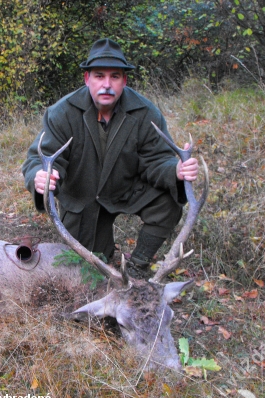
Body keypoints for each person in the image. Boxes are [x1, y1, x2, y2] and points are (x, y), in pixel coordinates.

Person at [22, 38, 199, 278]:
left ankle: (137, 267)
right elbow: (37, 160)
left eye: (115, 76)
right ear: (87, 79)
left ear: (124, 80)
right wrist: (40, 177)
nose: (107, 84)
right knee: (88, 270)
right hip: (82, 198)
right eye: (99, 76)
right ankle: (103, 246)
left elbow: (157, 160)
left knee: (168, 201)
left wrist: (175, 170)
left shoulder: (145, 112)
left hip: (125, 191)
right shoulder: (62, 113)